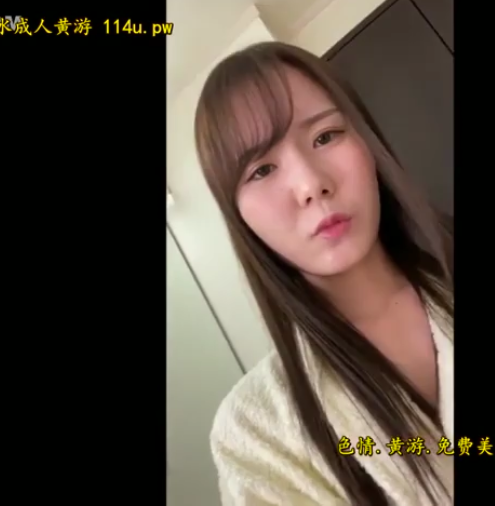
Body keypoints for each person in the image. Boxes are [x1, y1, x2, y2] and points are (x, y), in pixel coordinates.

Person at [194, 41, 454, 505]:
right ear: (239, 216)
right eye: (261, 170)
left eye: (325, 137)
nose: (311, 184)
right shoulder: (254, 433)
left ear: (368, 143)